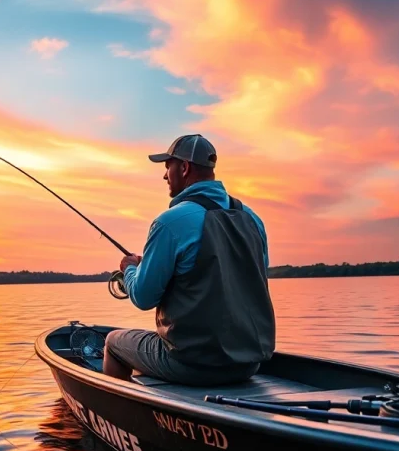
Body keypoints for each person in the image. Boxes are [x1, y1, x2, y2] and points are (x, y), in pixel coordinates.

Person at [102, 134, 276, 386]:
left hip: (192, 364)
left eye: (167, 167)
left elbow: (142, 296)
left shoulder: (170, 221)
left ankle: (118, 415)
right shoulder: (253, 219)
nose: (164, 176)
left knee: (113, 342)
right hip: (249, 364)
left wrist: (130, 270)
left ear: (184, 168)